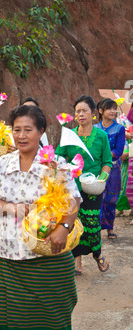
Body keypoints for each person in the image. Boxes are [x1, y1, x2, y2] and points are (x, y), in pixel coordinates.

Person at [0, 105, 81, 330]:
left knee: (48, 319)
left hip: (46, 257)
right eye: (17, 129)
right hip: (9, 255)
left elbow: (73, 199)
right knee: (7, 320)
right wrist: (10, 207)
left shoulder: (55, 164)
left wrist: (64, 226)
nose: (21, 135)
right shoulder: (2, 164)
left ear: (41, 132)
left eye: (28, 129)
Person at [58, 95, 112, 275]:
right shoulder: (69, 135)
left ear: (93, 113)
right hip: (73, 190)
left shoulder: (101, 136)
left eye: (84, 111)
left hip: (93, 189)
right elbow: (59, 157)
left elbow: (107, 162)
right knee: (74, 225)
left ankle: (98, 255)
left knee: (92, 224)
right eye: (77, 112)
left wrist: (101, 179)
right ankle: (77, 265)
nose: (80, 114)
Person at [94, 98, 126, 239]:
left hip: (113, 168)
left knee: (111, 197)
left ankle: (109, 229)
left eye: (114, 108)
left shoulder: (119, 128)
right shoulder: (94, 129)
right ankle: (95, 229)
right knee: (97, 197)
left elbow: (119, 151)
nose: (113, 111)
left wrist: (103, 157)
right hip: (97, 168)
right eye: (109, 108)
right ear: (101, 111)